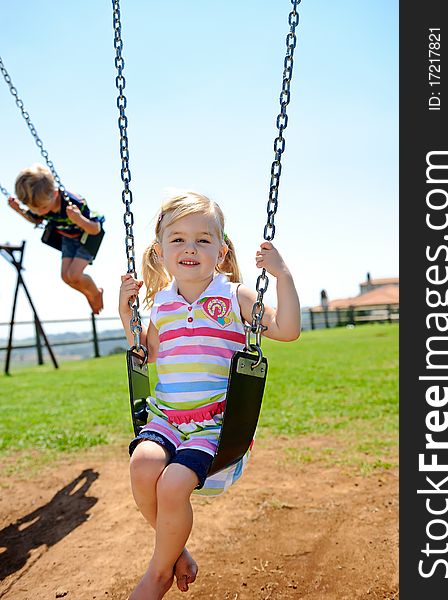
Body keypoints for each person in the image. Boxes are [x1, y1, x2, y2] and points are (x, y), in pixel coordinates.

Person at [119, 191, 301, 600]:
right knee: (142, 466)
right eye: (178, 238)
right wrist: (124, 313)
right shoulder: (160, 305)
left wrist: (282, 275)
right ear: (160, 250)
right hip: (166, 419)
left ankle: (159, 572)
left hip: (216, 425)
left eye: (203, 239)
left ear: (220, 251)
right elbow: (144, 354)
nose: (190, 247)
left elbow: (288, 330)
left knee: (171, 486)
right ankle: (178, 550)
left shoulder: (235, 296)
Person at [7, 163, 104, 314]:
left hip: (88, 236)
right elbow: (36, 220)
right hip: (68, 238)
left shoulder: (74, 202)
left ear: (55, 194)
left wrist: (78, 219)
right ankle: (88, 293)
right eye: (35, 209)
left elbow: (95, 229)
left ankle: (95, 292)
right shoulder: (42, 203)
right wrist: (19, 210)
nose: (40, 212)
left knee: (74, 274)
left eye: (42, 209)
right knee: (65, 277)